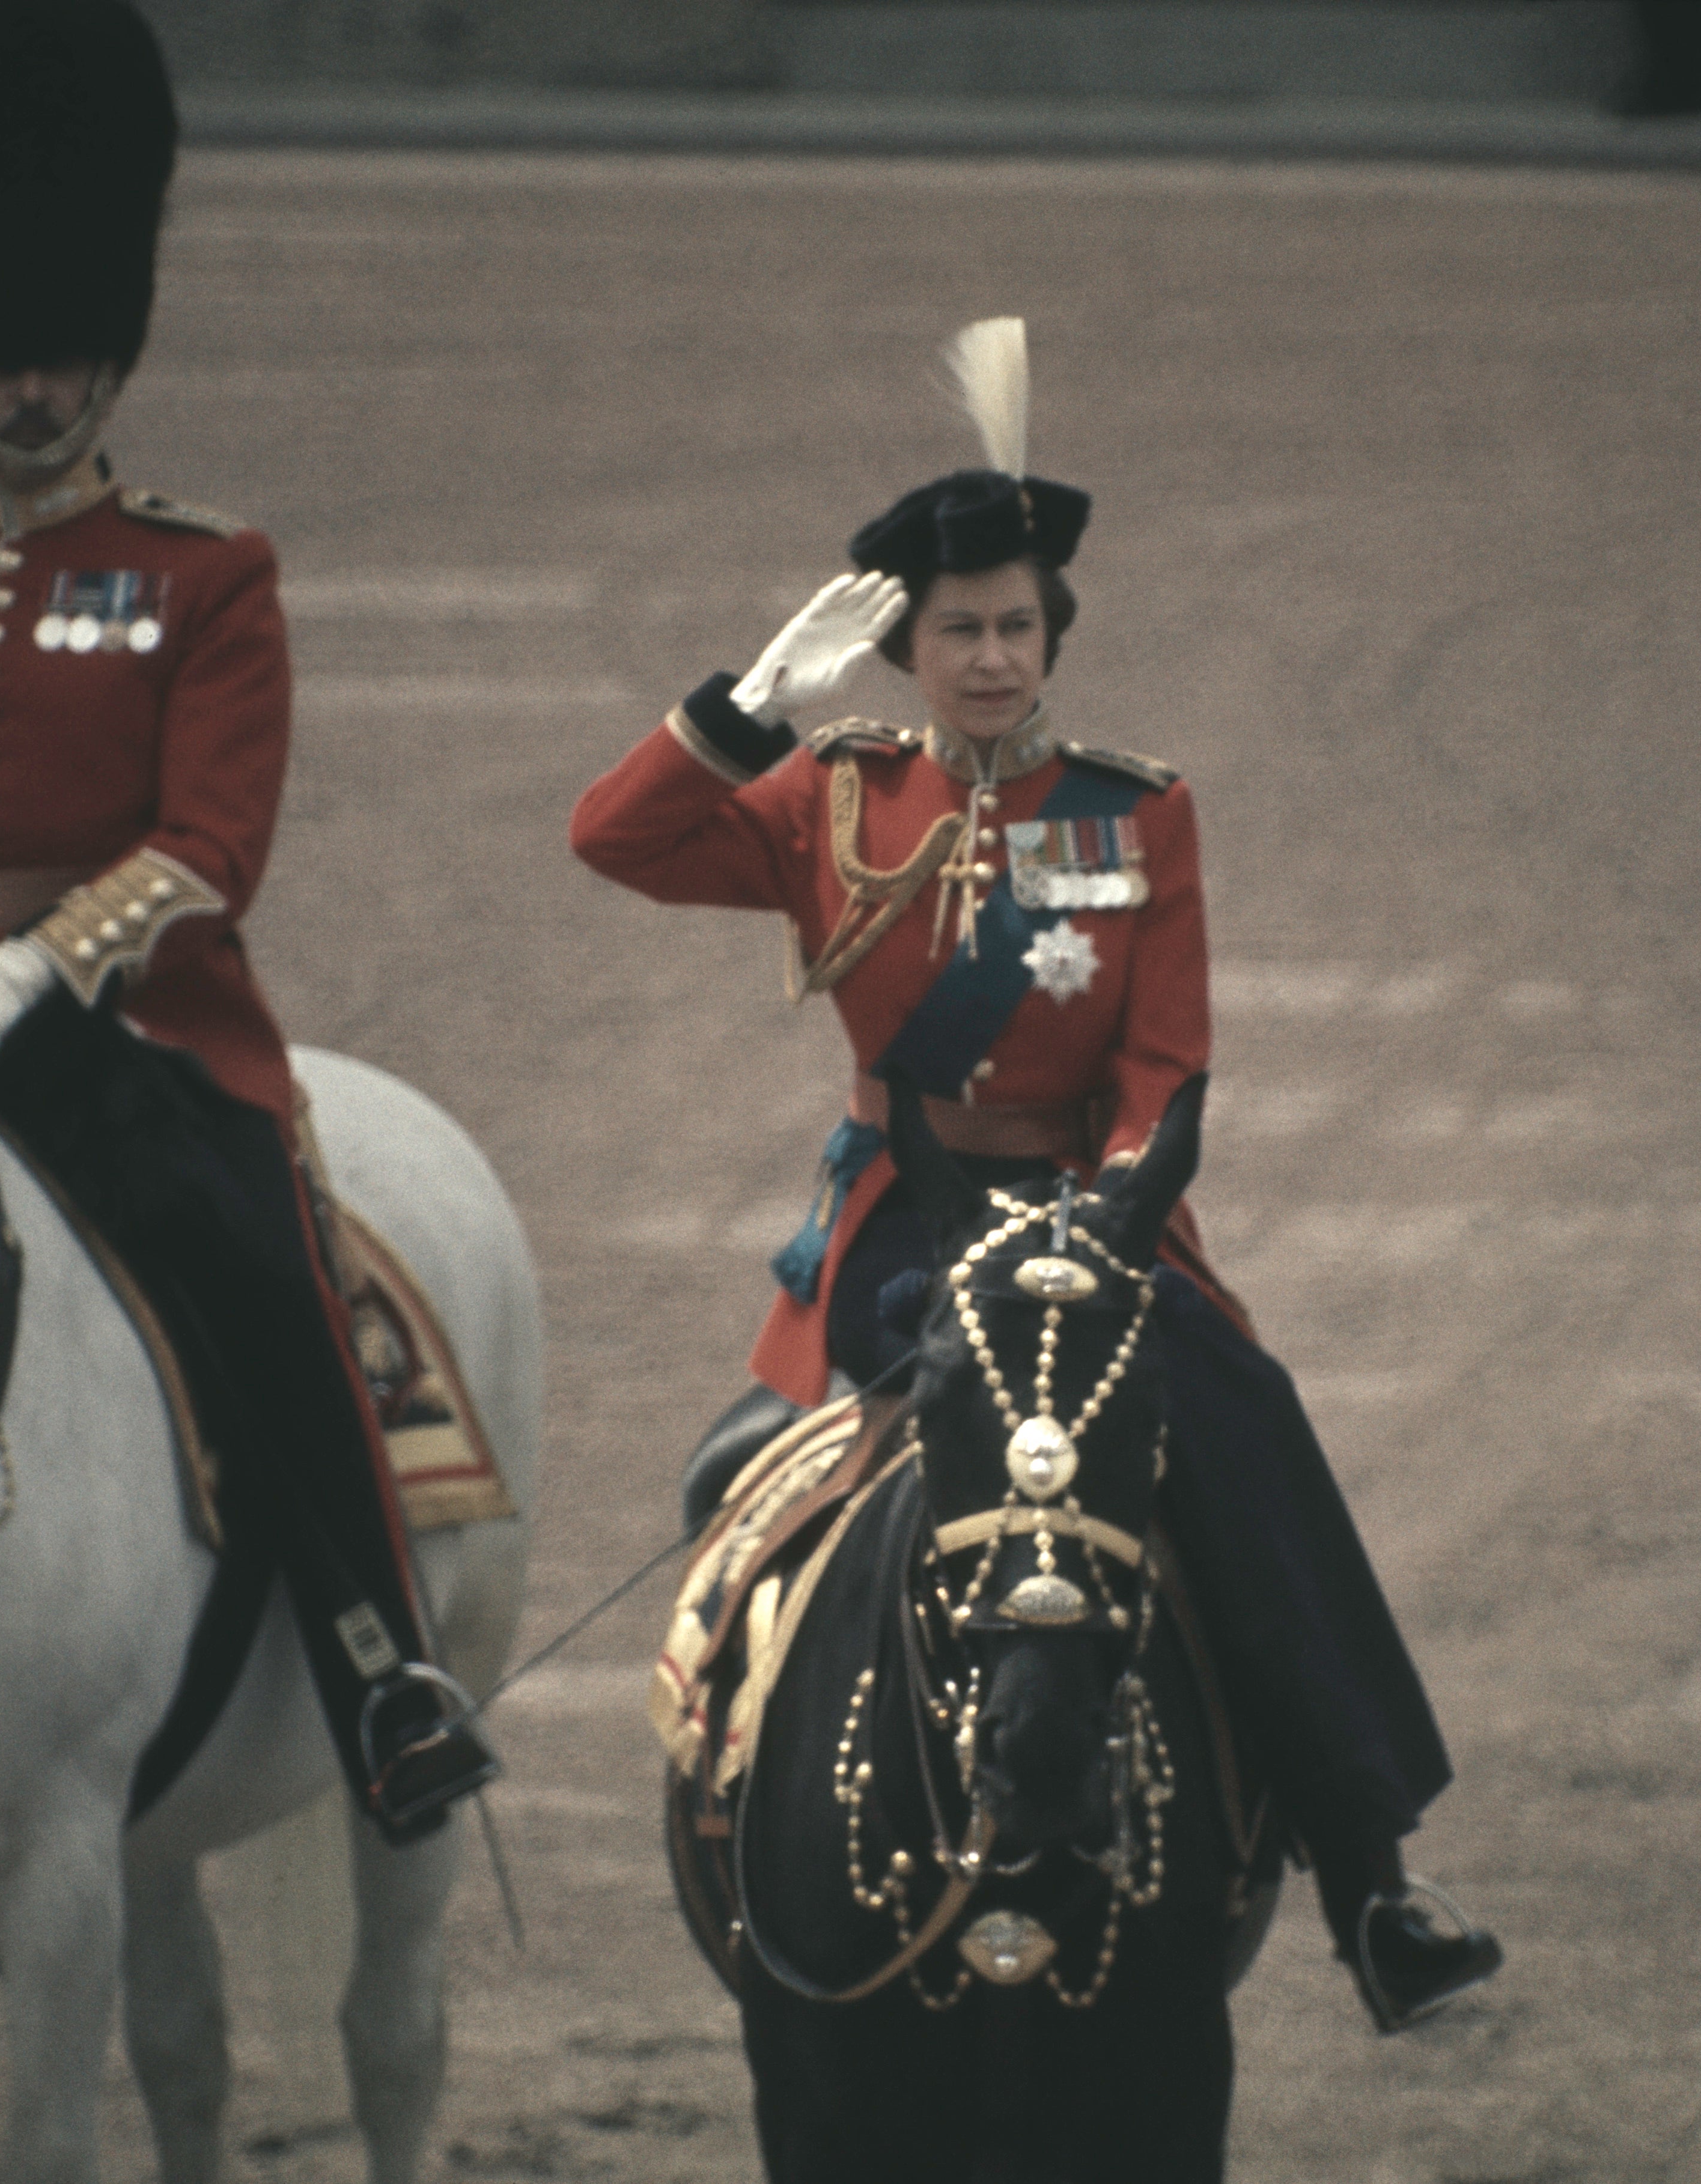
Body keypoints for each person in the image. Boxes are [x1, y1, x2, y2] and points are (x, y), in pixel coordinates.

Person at [570, 318, 1502, 2031]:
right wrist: (743, 706)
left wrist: (1117, 1212)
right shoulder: (827, 799)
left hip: (1095, 1219)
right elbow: (611, 836)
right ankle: (743, 1838)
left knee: (1249, 1444)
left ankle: (1369, 1878)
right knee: (756, 1504)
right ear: (906, 646)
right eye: (956, 631)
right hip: (903, 1226)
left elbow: (1164, 1069)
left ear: (1051, 633)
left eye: (1014, 626)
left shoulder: (1139, 816)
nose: (989, 658)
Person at [0, 0, 494, 1843]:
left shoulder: (203, 569)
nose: (24, 390)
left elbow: (208, 849)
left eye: (54, 354)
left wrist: (35, 965)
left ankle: (378, 1655)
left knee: (243, 1247)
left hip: (138, 1036)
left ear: (107, 354)